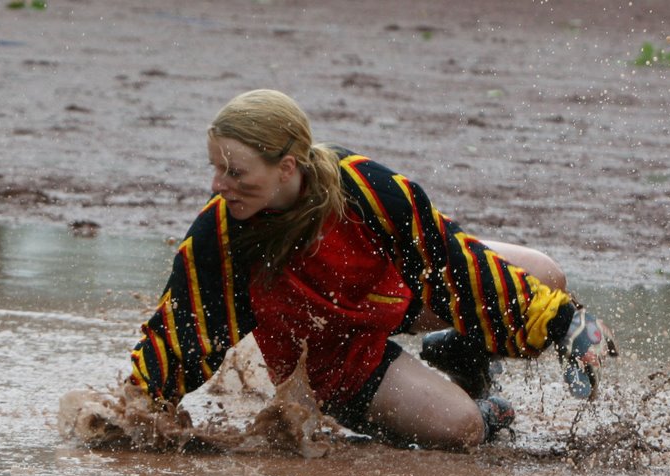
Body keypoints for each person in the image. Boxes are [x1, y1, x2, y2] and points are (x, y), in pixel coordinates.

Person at [127, 89, 616, 451]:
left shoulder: (364, 184)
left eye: (235, 172)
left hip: (389, 298)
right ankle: (485, 406)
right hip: (333, 357)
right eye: (215, 168)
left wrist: (559, 322)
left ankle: (463, 353)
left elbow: (449, 262)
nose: (219, 184)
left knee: (543, 274)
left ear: (287, 166)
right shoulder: (220, 233)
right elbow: (187, 330)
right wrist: (136, 411)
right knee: (461, 428)